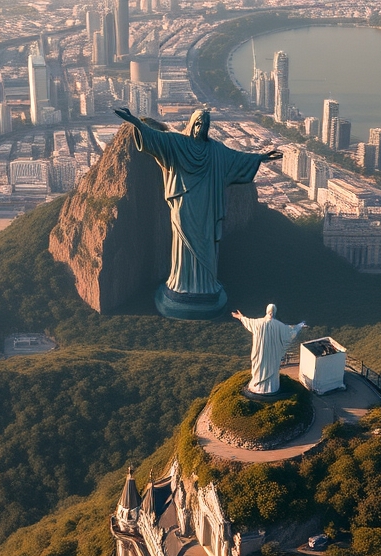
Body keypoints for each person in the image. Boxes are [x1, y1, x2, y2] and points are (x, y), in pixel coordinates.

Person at [113, 107, 281, 303]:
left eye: (204, 124)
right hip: (184, 206)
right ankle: (181, 284)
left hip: (207, 209)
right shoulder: (178, 143)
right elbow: (156, 138)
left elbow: (237, 158)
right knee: (184, 246)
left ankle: (205, 286)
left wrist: (261, 157)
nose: (200, 127)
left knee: (207, 246)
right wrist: (135, 122)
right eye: (198, 123)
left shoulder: (215, 150)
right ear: (192, 123)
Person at [233, 304, 305, 395]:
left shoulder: (258, 323)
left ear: (266, 311)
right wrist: (299, 326)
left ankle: (258, 386)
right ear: (275, 312)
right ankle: (271, 387)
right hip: (272, 355)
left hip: (260, 353)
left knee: (260, 367)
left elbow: (248, 322)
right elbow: (290, 332)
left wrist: (241, 317)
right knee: (272, 367)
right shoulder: (279, 326)